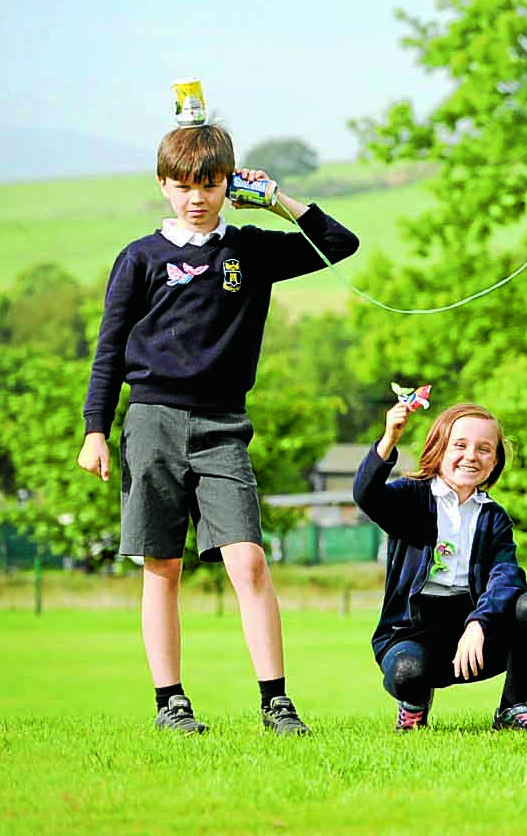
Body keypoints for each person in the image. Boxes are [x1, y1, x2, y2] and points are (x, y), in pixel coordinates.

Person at [77, 122, 360, 735]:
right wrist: (95, 428)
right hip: (150, 419)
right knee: (162, 565)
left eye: (209, 185)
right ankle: (170, 703)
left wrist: (279, 198)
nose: (196, 197)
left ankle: (276, 702)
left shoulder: (250, 251)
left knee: (249, 560)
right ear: (163, 185)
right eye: (182, 186)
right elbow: (108, 350)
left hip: (223, 424)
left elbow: (341, 242)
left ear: (228, 185)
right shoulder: (140, 258)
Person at [354, 401, 527, 733]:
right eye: (459, 445)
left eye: (484, 449)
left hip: (472, 636)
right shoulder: (411, 498)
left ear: (495, 460)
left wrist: (479, 622)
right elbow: (366, 495)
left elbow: (507, 576)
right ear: (438, 448)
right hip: (412, 633)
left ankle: (511, 709)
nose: (471, 456)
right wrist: (389, 437)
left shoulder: (494, 517)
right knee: (408, 673)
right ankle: (414, 706)